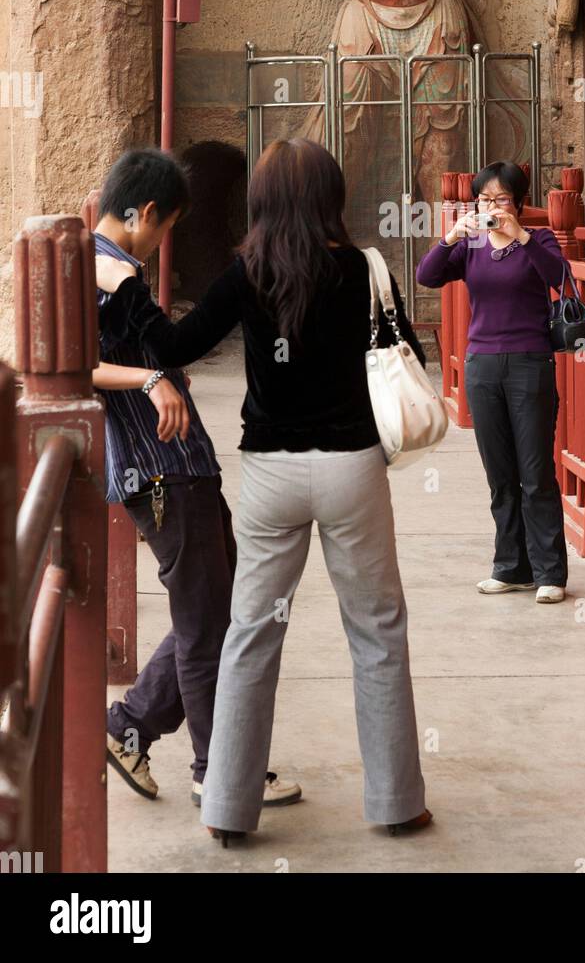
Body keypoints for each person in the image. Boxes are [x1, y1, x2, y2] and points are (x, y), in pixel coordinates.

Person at [95, 138, 432, 845]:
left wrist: (124, 286)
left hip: (272, 474)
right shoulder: (364, 266)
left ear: (262, 204)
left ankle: (226, 810)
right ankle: (397, 803)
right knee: (377, 633)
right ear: (330, 197)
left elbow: (176, 345)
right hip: (352, 470)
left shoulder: (246, 271)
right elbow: (410, 355)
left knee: (249, 639)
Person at [94, 148, 299, 811]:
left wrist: (151, 375)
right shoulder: (106, 271)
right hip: (161, 472)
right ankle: (220, 770)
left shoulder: (102, 262)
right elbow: (73, 364)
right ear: (146, 213)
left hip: (176, 468)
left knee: (216, 610)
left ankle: (130, 726)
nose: (162, 245)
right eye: (166, 228)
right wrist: (150, 378)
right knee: (211, 623)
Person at [416, 161, 569, 604]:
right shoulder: (472, 246)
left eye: (500, 199)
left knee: (535, 472)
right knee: (500, 475)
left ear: (518, 202)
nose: (491, 207)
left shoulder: (537, 239)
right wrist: (451, 237)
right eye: (484, 199)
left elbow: (560, 277)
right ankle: (510, 567)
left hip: (529, 364)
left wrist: (520, 234)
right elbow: (428, 276)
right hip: (482, 366)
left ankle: (550, 574)